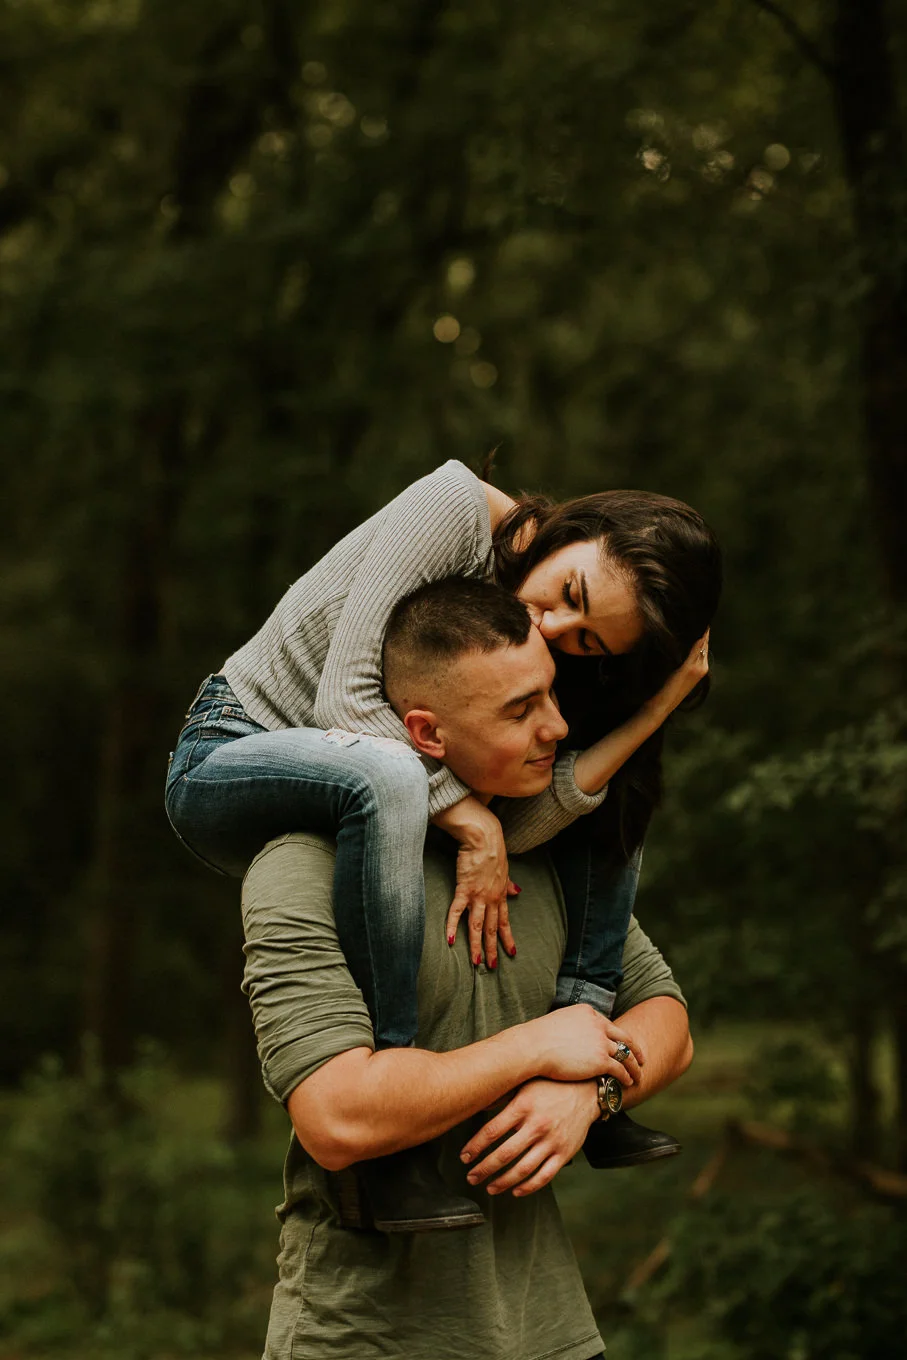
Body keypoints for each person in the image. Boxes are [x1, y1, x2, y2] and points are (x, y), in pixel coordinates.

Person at [165, 459, 720, 1227]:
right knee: (391, 773)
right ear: (576, 529)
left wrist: (653, 712)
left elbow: (525, 826)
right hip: (232, 751)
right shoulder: (454, 509)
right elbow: (346, 700)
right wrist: (470, 818)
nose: (554, 631)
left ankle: (585, 1052)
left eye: (586, 640)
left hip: (369, 784)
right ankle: (390, 1095)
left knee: (617, 792)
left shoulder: (521, 644)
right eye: (568, 594)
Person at [241, 582, 694, 1358]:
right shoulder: (303, 867)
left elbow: (668, 1024)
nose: (556, 726)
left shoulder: (540, 854)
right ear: (427, 731)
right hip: (362, 1339)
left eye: (550, 694)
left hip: (552, 1333)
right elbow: (337, 1118)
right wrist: (534, 1048)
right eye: (518, 711)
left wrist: (590, 1092)